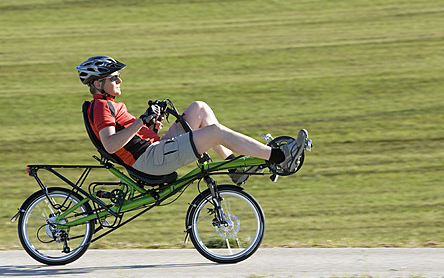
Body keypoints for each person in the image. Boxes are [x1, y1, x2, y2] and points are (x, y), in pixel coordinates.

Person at [76, 55, 308, 185]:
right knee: (215, 131)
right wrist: (142, 122)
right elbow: (111, 144)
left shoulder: (108, 105)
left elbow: (130, 137)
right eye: (114, 77)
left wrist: (152, 124)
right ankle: (280, 156)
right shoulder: (101, 107)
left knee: (199, 108)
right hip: (150, 161)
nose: (120, 81)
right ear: (98, 84)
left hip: (154, 151)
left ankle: (235, 169)